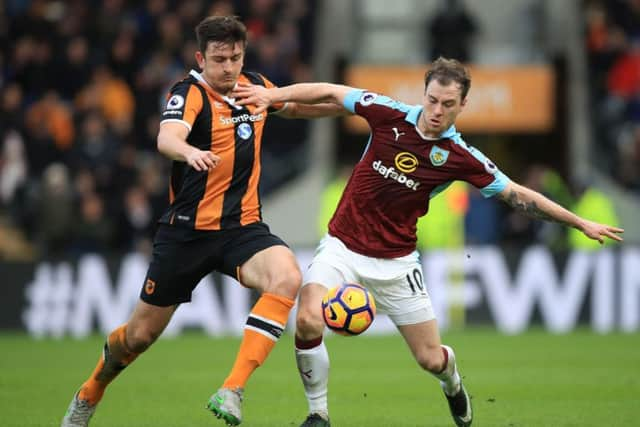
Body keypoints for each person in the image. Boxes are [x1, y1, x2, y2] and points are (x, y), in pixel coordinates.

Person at [232, 57, 625, 427]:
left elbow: (519, 195)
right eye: (432, 99)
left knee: (429, 359)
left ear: (463, 105)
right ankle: (319, 415)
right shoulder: (389, 114)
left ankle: (452, 381)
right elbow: (334, 93)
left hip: (397, 264)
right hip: (342, 247)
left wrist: (578, 222)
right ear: (424, 93)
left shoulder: (460, 157)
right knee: (307, 318)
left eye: (448, 104)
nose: (437, 110)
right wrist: (273, 95)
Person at [61, 16, 343, 427]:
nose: (228, 67)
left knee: (286, 276)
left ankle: (233, 389)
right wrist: (188, 152)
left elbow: (298, 107)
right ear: (201, 58)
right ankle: (90, 391)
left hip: (242, 229)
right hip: (187, 233)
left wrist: (352, 105)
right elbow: (167, 136)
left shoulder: (256, 87)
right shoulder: (188, 93)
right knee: (139, 337)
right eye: (219, 59)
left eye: (235, 57)